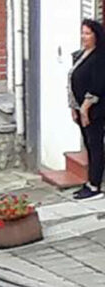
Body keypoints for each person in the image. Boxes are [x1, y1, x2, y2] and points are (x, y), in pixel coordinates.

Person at [71, 19, 105, 200]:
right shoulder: (81, 54)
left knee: (95, 144)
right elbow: (71, 80)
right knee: (88, 145)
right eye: (82, 33)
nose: (84, 37)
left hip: (95, 110)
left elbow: (98, 85)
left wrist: (84, 108)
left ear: (96, 36)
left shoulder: (100, 57)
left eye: (88, 33)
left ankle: (95, 185)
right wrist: (73, 107)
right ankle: (90, 180)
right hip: (80, 108)